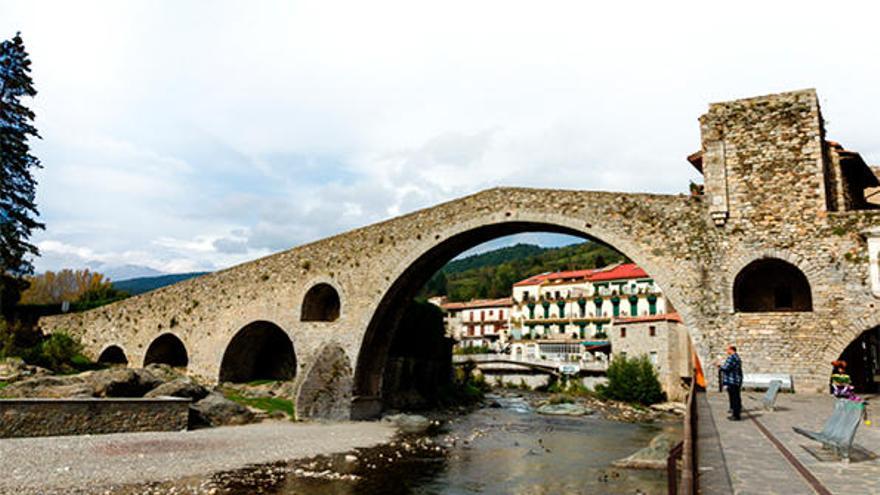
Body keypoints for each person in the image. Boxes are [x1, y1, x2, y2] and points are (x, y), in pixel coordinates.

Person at [717, 345, 743, 420]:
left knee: (734, 397)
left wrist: (719, 366)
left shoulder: (731, 358)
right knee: (736, 397)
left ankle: (736, 415)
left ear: (731, 350)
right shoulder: (737, 357)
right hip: (736, 380)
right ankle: (736, 412)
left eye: (727, 350)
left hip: (732, 380)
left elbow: (726, 368)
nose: (727, 351)